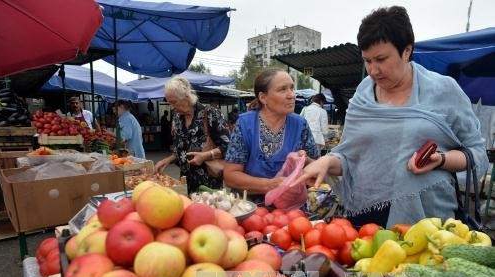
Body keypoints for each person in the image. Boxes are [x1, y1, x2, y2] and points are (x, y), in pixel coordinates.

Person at [293, 6, 488, 228]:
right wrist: (326, 162)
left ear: (406, 51)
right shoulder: (363, 94)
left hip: (427, 221)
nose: (373, 70)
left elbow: (476, 154)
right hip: (365, 216)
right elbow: (350, 157)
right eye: (367, 61)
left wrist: (440, 160)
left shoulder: (443, 90)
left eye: (381, 59)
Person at [224, 68, 319, 202]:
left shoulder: (300, 124)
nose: (291, 95)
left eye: (292, 88)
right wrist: (270, 185)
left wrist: (305, 160)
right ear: (263, 97)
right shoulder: (245, 124)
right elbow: (230, 176)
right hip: (249, 208)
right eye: (282, 90)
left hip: (290, 209)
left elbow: (316, 168)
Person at [154, 76, 230, 194]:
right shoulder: (177, 118)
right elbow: (181, 149)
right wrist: (168, 160)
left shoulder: (211, 113)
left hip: (209, 184)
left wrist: (204, 156)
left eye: (174, 102)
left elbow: (228, 147)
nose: (172, 107)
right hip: (185, 182)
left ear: (186, 97)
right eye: (169, 103)